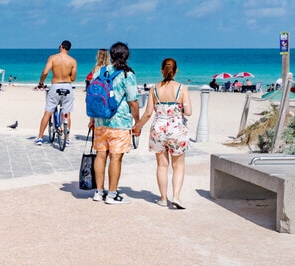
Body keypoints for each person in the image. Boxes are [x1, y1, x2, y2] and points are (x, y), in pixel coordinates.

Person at [133, 58, 192, 209]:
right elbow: (189, 112)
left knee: (162, 165)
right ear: (176, 70)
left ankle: (163, 198)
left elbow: (147, 113)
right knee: (178, 166)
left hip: (158, 129)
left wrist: (138, 127)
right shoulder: (182, 88)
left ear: (161, 70)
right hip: (177, 129)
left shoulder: (154, 89)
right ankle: (176, 196)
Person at [89, 42, 139, 205]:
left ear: (111, 55)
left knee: (100, 155)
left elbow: (93, 96)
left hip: (100, 120)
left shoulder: (100, 71)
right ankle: (111, 194)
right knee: (116, 158)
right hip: (119, 122)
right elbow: (133, 101)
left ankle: (98, 192)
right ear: (127, 56)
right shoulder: (127, 75)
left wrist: (92, 119)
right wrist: (137, 121)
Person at [36, 40, 78, 146]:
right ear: (69, 49)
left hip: (56, 85)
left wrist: (41, 82)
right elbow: (73, 78)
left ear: (61, 47)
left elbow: (45, 72)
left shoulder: (53, 58)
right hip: (68, 86)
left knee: (48, 112)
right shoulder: (73, 61)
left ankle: (40, 138)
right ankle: (67, 139)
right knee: (67, 113)